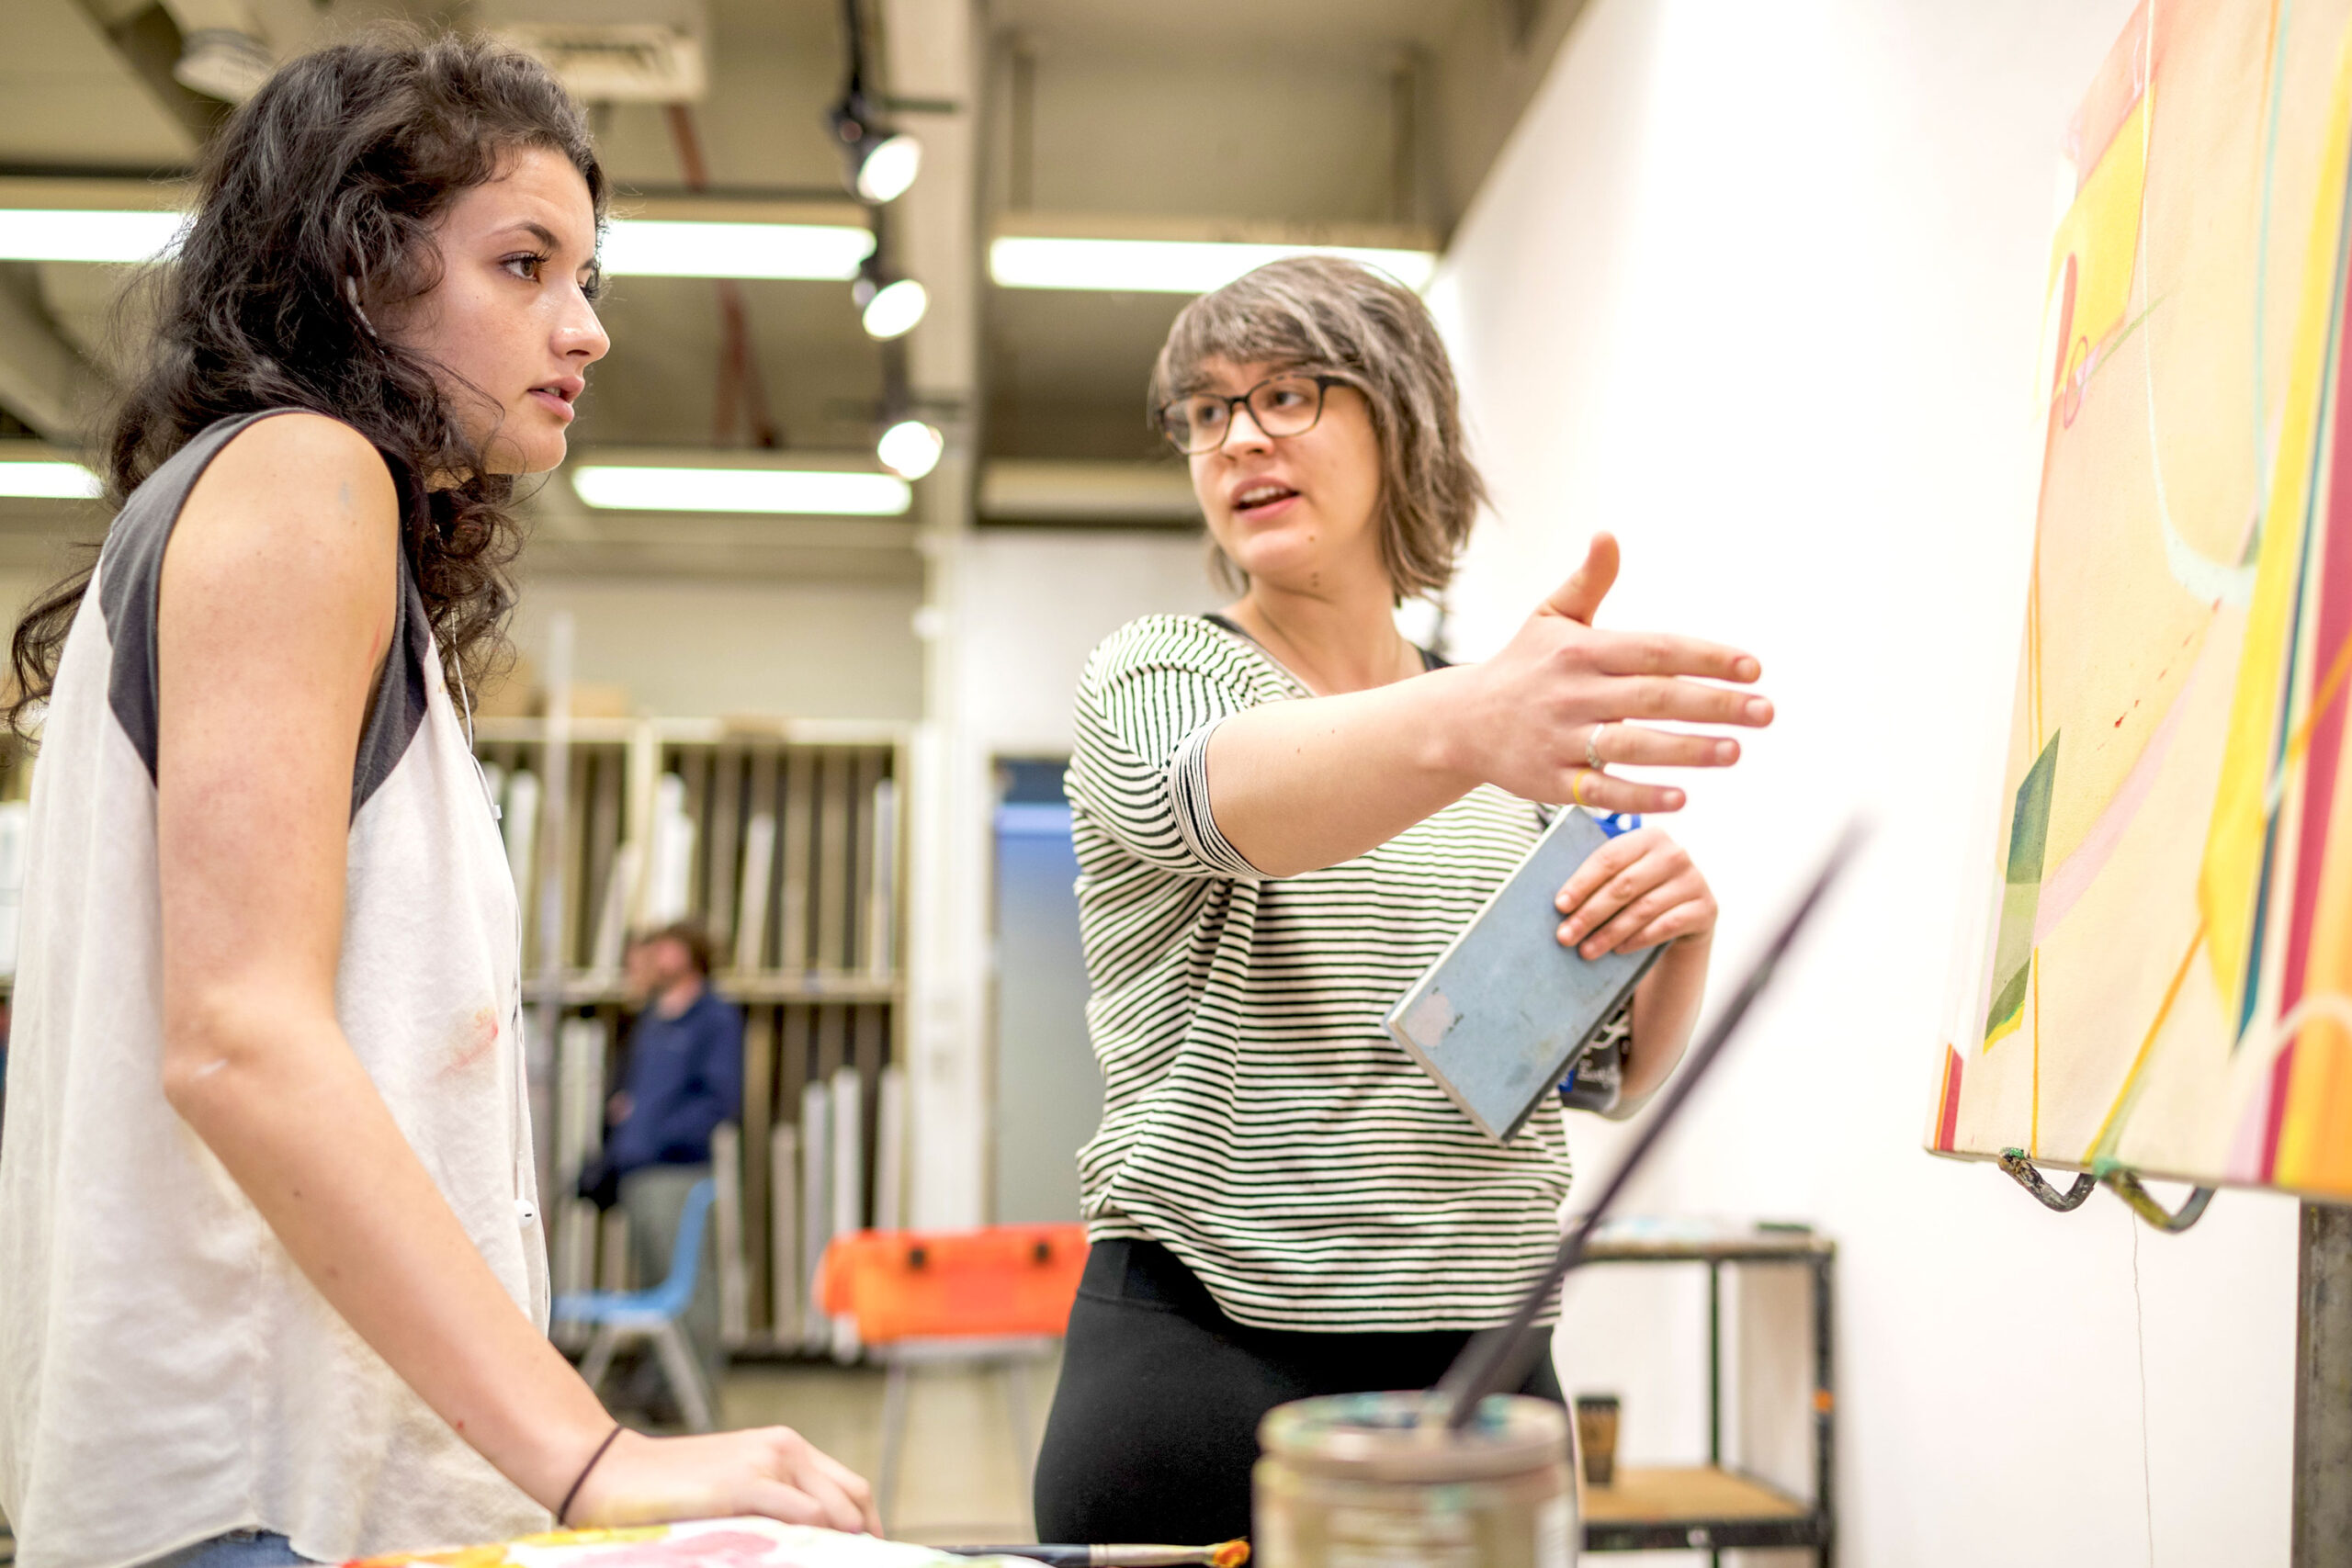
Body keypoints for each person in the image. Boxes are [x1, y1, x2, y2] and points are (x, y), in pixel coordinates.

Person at [0, 33, 875, 1568]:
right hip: (257, 1487)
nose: (584, 327)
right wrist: (589, 1450)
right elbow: (241, 1034)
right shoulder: (301, 478)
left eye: (586, 275)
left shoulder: (240, 501)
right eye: (524, 264)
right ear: (354, 269)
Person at [1031, 255, 1776, 1544]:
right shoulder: (1158, 674)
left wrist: (1675, 939)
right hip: (1207, 1363)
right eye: (1207, 412)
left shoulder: (1507, 738)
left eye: (1289, 393)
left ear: (1401, 420)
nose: (1239, 436)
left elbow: (1586, 1075)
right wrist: (1473, 717)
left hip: (1483, 1374)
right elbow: (1214, 801)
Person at [589, 922, 743, 1406]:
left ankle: (694, 1393)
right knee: (653, 1287)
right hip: (637, 1172)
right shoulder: (654, 1017)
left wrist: (660, 1134)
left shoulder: (713, 1017)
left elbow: (720, 1099)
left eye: (667, 947)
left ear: (693, 952)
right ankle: (659, 1388)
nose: (658, 957)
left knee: (690, 1290)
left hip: (677, 1172)